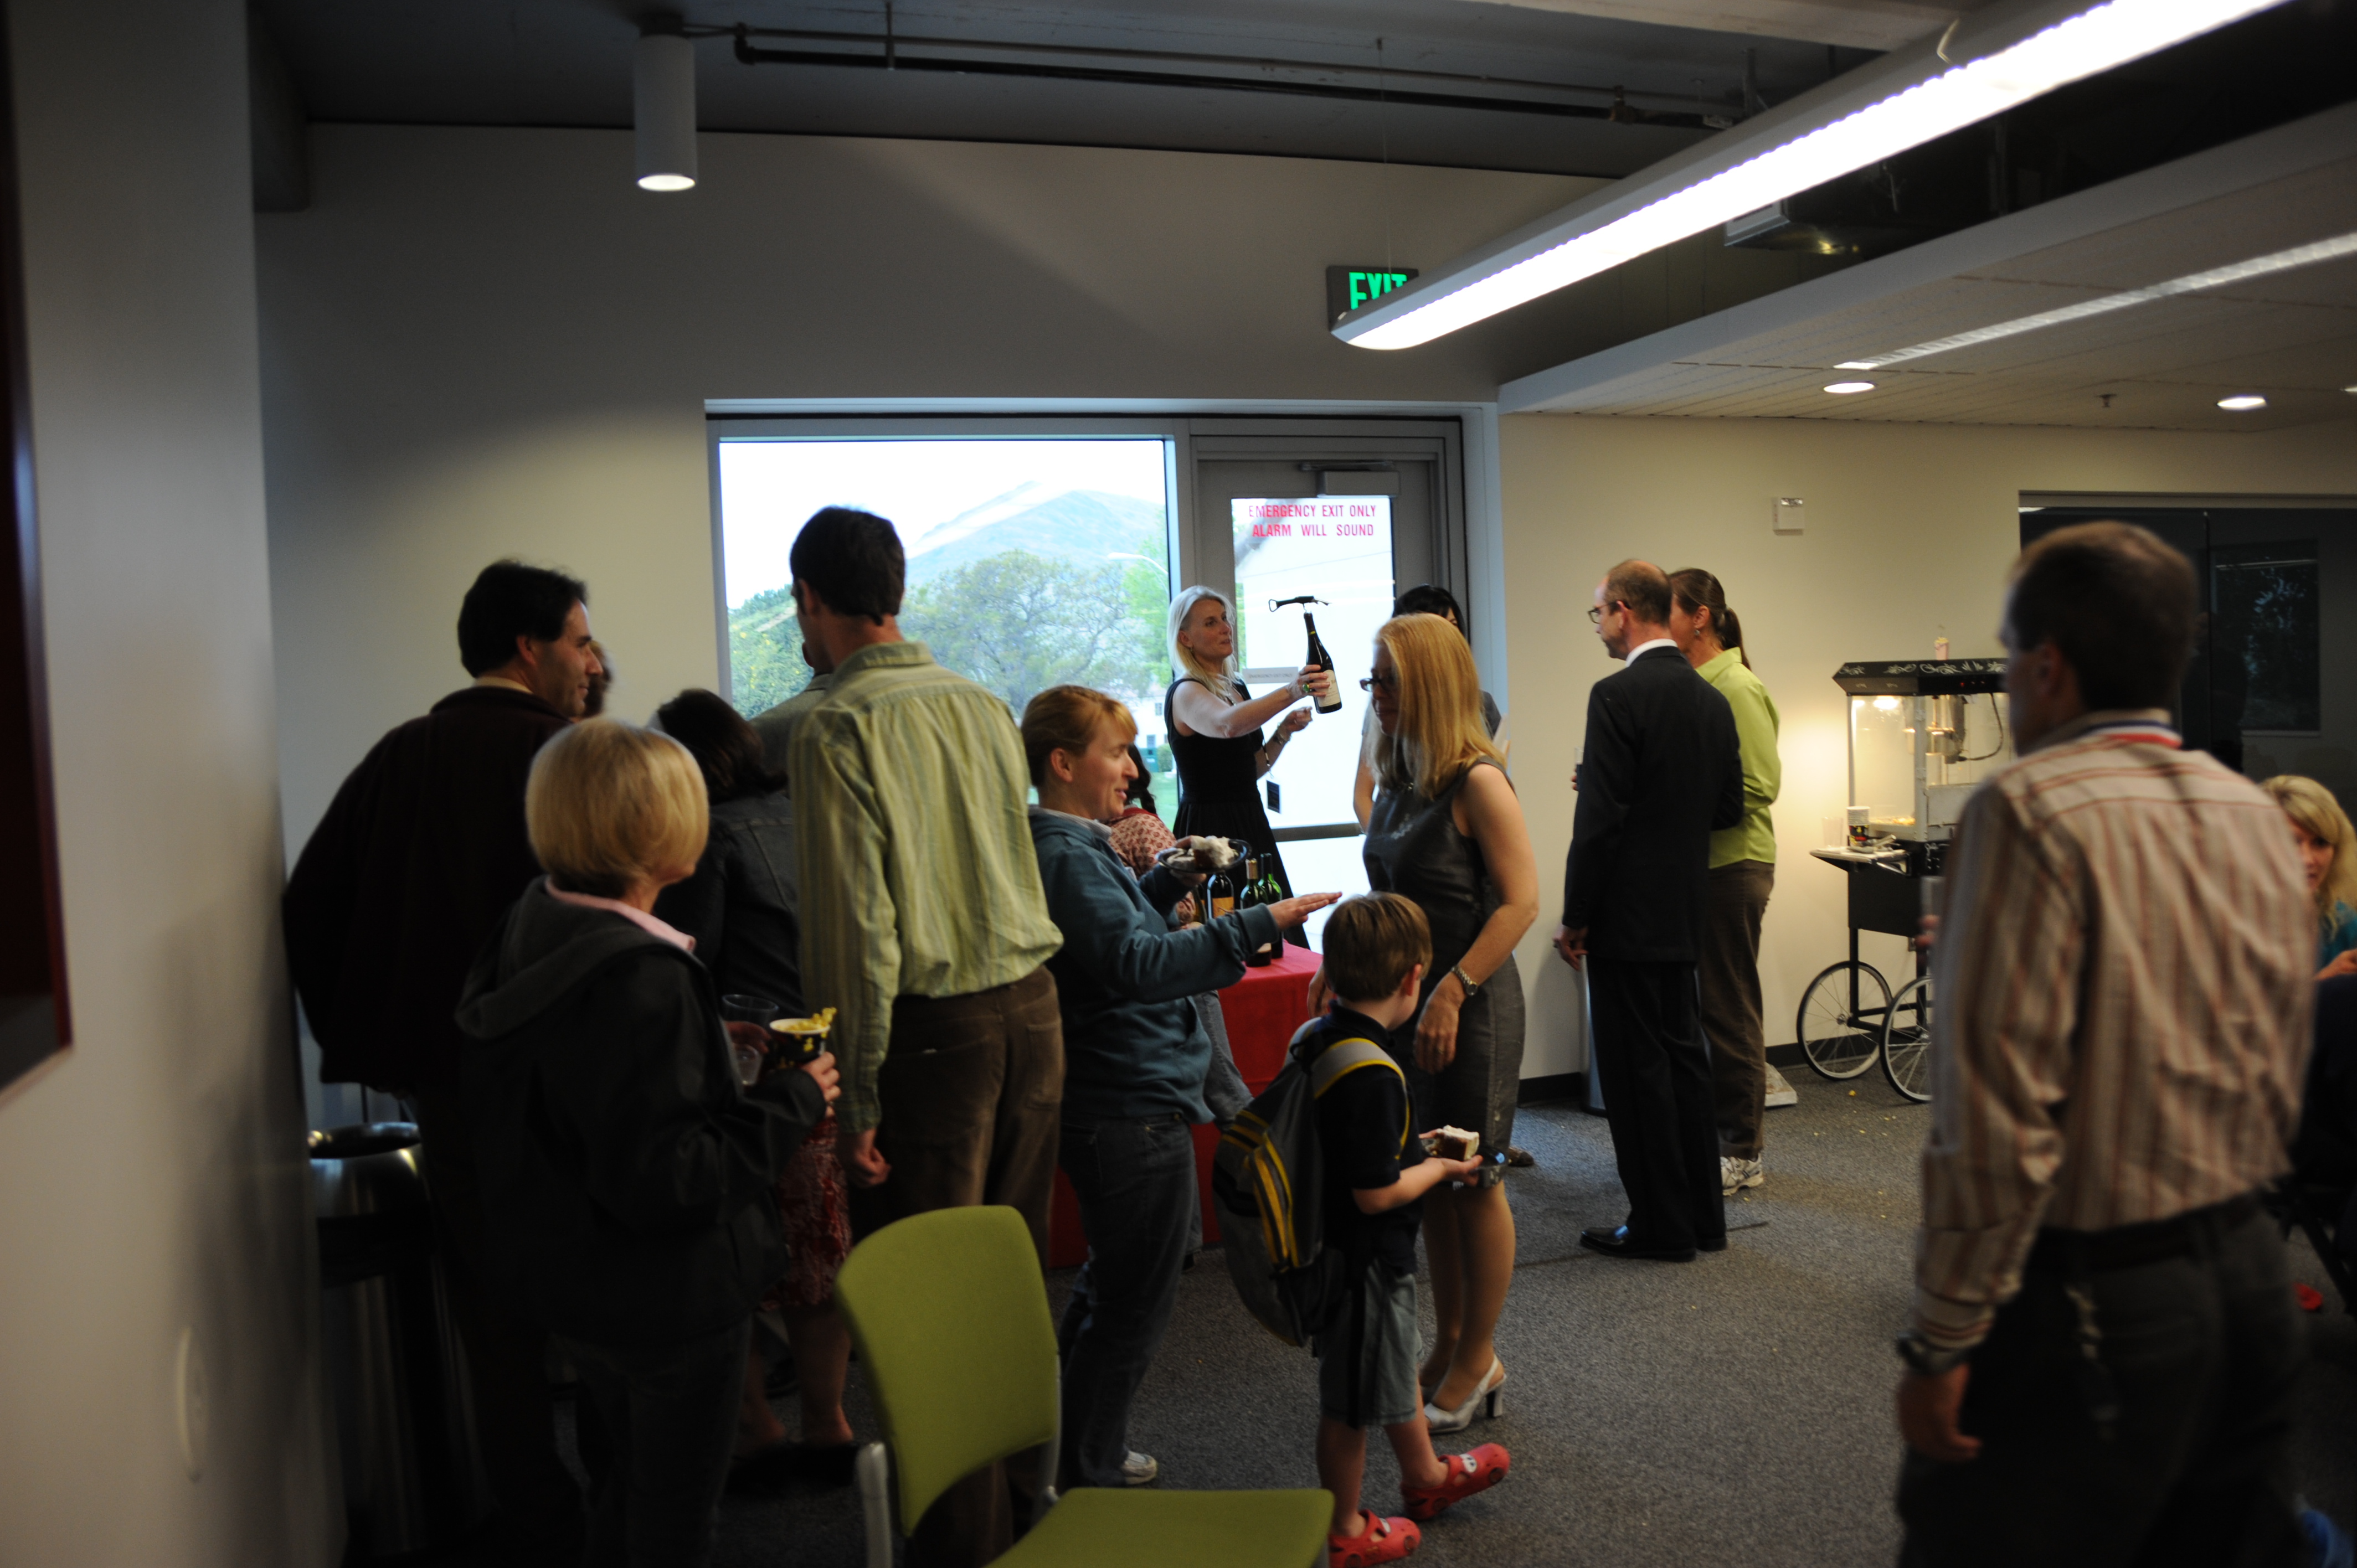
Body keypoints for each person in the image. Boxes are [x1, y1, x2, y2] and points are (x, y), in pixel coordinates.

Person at [1893, 522, 2315, 1566]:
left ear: (2047, 667)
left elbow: (1996, 1122)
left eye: (2007, 658)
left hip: (2096, 1300)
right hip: (2252, 1277)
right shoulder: (2250, 811)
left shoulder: (2026, 811)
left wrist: (1943, 1338)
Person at [455, 719, 840, 1568]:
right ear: (657, 827)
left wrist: (705, 1045)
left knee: (624, 1488)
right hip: (670, 1298)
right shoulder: (644, 977)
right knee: (673, 1520)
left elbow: (589, 1087)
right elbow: (677, 1180)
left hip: (580, 1280)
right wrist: (795, 1099)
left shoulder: (533, 923)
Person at [282, 559, 604, 1565]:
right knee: (606, 1302)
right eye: (579, 642)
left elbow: (308, 906)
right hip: (575, 1089)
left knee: (494, 1323)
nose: (592, 663)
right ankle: (631, 1518)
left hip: (454, 1091)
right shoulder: (569, 759)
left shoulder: (400, 757)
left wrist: (378, 1041)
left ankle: (541, 1533)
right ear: (529, 648)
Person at [784, 506, 1066, 1567]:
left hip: (932, 1036)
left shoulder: (835, 726)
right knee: (1008, 1283)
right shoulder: (981, 701)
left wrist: (853, 1096)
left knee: (936, 1313)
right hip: (1034, 1010)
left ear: (812, 598)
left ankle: (967, 1548)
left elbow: (858, 931)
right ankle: (1027, 1519)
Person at [1022, 685, 1337, 1492]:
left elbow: (1120, 933)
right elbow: (1138, 965)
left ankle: (1068, 1447)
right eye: (1115, 753)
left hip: (1123, 1097)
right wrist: (1260, 922)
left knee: (1113, 1283)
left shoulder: (1075, 845)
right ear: (1063, 763)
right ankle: (1086, 1467)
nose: (1132, 769)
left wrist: (1167, 881)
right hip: (1127, 1106)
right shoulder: (1066, 854)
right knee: (1132, 1298)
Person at [1331, 613, 1537, 1434]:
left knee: (1474, 1180)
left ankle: (1479, 1355)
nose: (1374, 694)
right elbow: (1391, 894)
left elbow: (1522, 903)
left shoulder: (1478, 781)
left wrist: (1452, 990)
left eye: (1387, 680)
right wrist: (1347, 965)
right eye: (1372, 678)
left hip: (1471, 1005)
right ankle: (1451, 1344)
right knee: (1434, 1179)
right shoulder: (1399, 774)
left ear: (1429, 684)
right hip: (1412, 1005)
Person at [650, 689, 857, 1485]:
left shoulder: (707, 839)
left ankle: (757, 1431)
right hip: (824, 1058)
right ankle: (829, 1425)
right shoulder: (810, 818)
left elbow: (692, 964)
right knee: (819, 1254)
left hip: (746, 1070)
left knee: (733, 1258)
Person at [1305, 893, 1510, 1568]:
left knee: (1386, 1371)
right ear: (1412, 978)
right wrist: (1437, 1170)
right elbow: (1374, 1194)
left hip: (1336, 1249)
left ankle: (1424, 1476)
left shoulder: (1321, 1039)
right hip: (1365, 1260)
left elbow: (1350, 1149)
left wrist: (1410, 1149)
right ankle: (1344, 1529)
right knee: (1348, 1405)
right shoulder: (1374, 1073)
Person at [1555, 559, 1742, 1262]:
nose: (1597, 626)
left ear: (1625, 611)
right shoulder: (1710, 699)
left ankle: (1660, 1227)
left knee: (1636, 1076)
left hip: (1625, 917)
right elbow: (1727, 808)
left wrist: (1575, 914)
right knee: (1685, 1064)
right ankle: (1703, 1222)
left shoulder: (1615, 696)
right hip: (1683, 909)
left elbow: (1599, 823)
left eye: (1598, 612)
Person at [1666, 569, 1783, 1197]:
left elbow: (1760, 785)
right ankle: (1719, 1139)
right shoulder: (1693, 684)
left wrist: (1673, 798)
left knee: (1727, 1009)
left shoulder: (1736, 687)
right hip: (1698, 867)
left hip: (1733, 866)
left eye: (1668, 610)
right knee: (1704, 1010)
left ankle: (1742, 1150)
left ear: (1700, 618)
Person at [1164, 585, 1335, 940]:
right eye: (1211, 623)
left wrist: (1282, 733)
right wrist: (1293, 690)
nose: (1225, 628)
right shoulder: (1186, 691)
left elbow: (1248, 771)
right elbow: (1227, 725)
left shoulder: (1235, 686)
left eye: (1225, 619)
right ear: (1185, 638)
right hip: (1210, 830)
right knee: (1228, 933)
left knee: (1272, 933)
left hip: (1250, 820)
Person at [1351, 585, 1504, 831]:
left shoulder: (1482, 774)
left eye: (1453, 626)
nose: (1379, 694)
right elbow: (1362, 796)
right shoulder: (1384, 716)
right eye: (1379, 680)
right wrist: (1384, 845)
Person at [2261, 774, 2357, 979]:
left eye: (2320, 843)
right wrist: (2326, 985)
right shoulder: (2224, 923)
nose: (2307, 860)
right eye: (2290, 842)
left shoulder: (2343, 922)